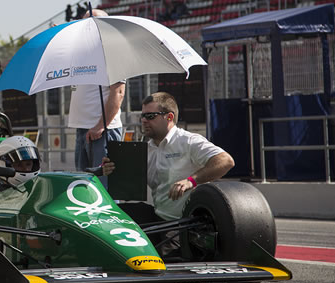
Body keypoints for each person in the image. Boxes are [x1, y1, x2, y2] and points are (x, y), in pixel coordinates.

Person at [141, 92, 234, 255]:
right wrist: (112, 167)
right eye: (142, 116)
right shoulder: (146, 149)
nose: (143, 120)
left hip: (186, 224)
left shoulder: (189, 141)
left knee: (158, 267)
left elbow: (225, 161)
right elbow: (128, 184)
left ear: (169, 117)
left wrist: (191, 180)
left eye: (150, 116)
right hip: (158, 219)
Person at [68, 9, 125, 190]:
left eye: (92, 21)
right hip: (83, 128)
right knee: (84, 187)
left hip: (101, 131)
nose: (87, 26)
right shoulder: (83, 54)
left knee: (104, 188)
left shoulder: (112, 53)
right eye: (85, 22)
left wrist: (100, 125)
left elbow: (118, 92)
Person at [0, 136, 115, 194]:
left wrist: (99, 171)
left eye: (28, 164)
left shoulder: (41, 184)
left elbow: (65, 177)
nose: (26, 169)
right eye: (19, 165)